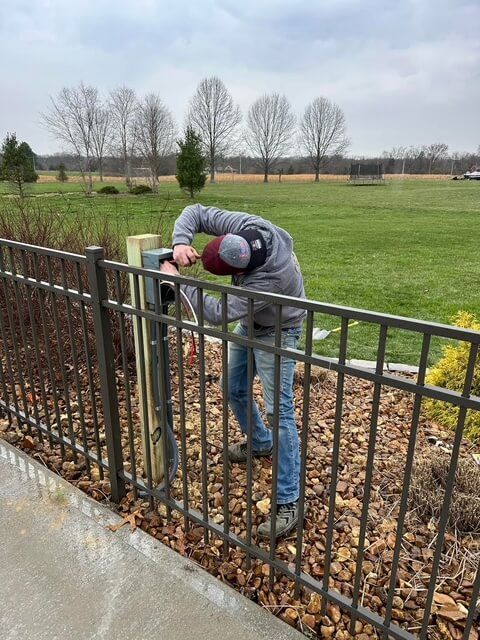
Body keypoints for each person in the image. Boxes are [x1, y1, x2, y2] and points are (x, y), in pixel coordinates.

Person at [160, 204, 306, 538]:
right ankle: (260, 442)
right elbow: (195, 211)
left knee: (279, 410)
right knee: (232, 387)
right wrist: (181, 242)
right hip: (250, 324)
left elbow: (215, 311)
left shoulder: (271, 279)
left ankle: (289, 500)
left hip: (280, 330)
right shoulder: (246, 224)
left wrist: (179, 283)